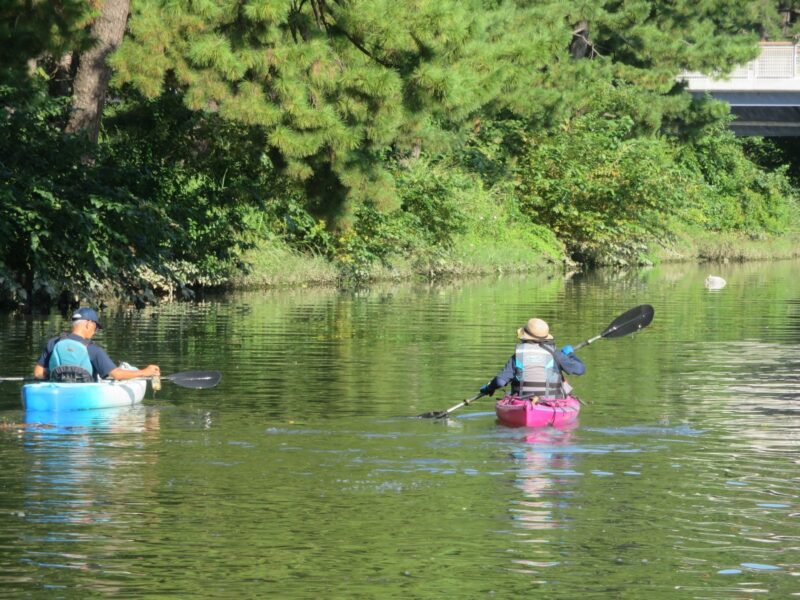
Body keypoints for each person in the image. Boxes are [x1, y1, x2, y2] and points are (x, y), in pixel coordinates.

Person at [33, 307, 160, 383]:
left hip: (56, 392)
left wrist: (62, 377)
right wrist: (145, 372)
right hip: (84, 396)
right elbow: (118, 375)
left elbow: (38, 373)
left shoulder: (53, 343)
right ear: (89, 324)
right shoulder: (93, 350)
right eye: (96, 327)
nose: (95, 331)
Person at [479, 317, 585, 399]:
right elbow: (580, 370)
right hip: (552, 402)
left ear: (525, 337)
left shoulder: (517, 356)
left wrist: (489, 388)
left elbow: (500, 382)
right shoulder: (556, 355)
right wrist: (570, 354)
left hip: (522, 401)